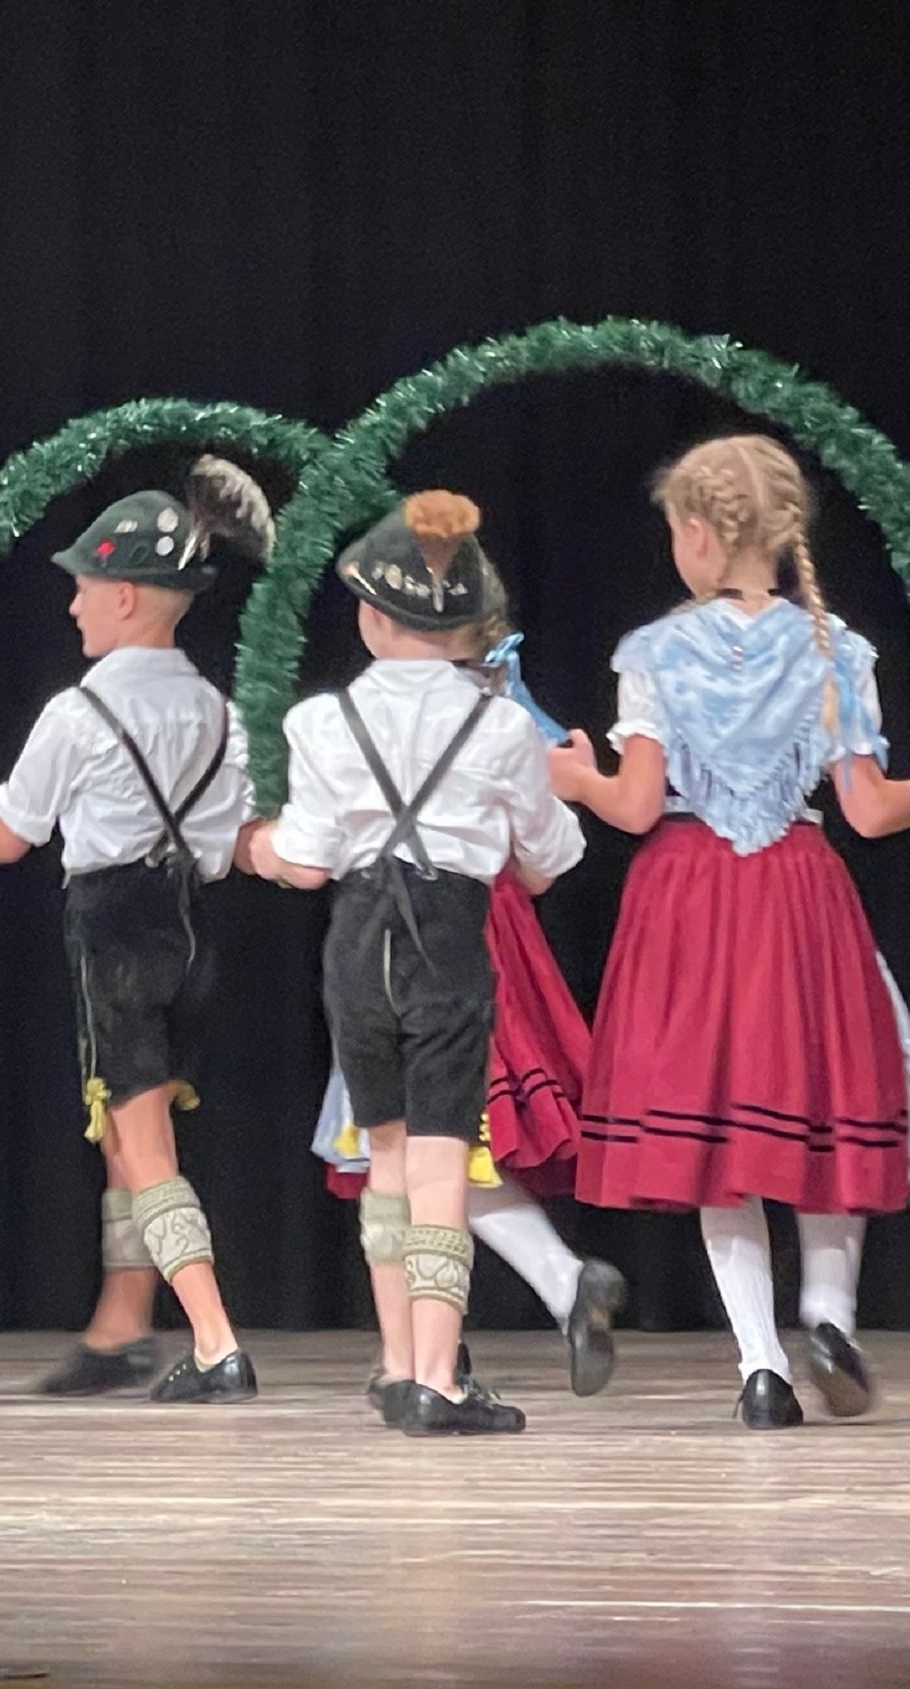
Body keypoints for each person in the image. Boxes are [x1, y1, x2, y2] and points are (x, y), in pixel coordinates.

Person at [552, 435, 910, 1426]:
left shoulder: (655, 652)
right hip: (797, 887)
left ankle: (761, 1367)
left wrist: (575, 777)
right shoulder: (834, 649)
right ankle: (828, 1313)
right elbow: (869, 809)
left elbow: (634, 805)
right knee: (823, 1101)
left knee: (716, 1127)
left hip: (690, 896)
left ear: (700, 535)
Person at [0, 461, 269, 1403]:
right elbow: (234, 840)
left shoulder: (79, 711)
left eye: (83, 587)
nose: (71, 606)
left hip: (113, 927)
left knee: (143, 1145)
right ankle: (121, 1322)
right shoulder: (220, 711)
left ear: (126, 595)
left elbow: (9, 835)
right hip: (193, 927)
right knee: (125, 1133)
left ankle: (216, 1339)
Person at [243, 491, 585, 1435]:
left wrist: (255, 847)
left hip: (357, 946)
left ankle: (400, 1366)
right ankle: (440, 1380)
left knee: (385, 1153)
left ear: (372, 614)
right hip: (448, 942)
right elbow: (552, 855)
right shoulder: (502, 726)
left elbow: (306, 860)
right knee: (442, 1162)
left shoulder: (321, 721)